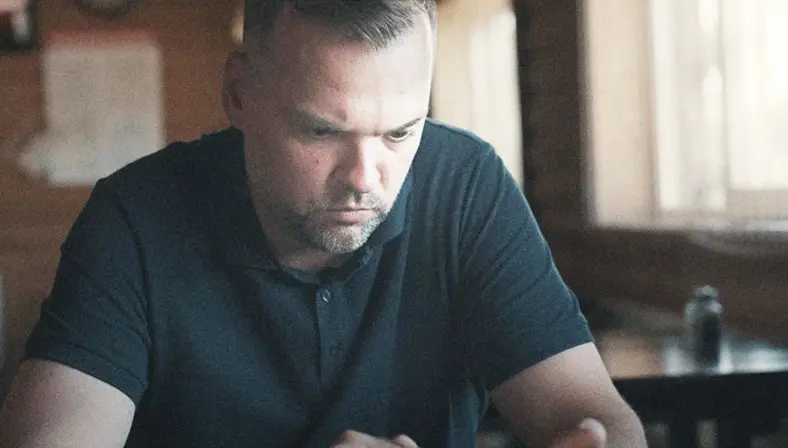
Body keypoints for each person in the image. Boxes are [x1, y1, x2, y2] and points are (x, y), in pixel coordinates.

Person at [0, 1, 647, 446]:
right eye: (322, 131)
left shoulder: (466, 188)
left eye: (399, 133)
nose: (365, 177)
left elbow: (599, 420)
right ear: (239, 94)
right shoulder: (134, 219)